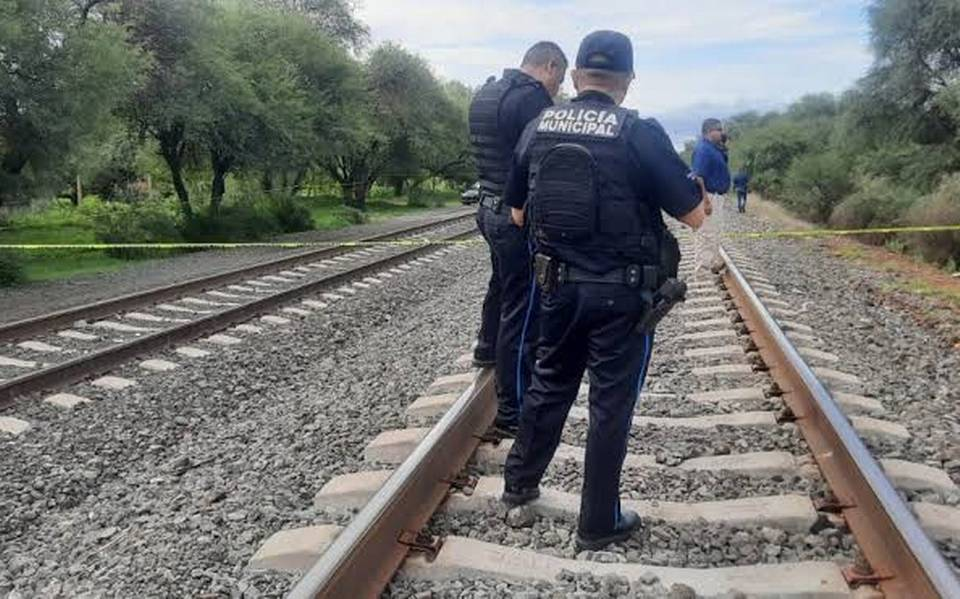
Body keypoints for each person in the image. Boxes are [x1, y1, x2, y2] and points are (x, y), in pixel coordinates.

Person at [500, 30, 709, 551]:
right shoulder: (639, 132)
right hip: (623, 299)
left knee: (549, 384)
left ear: (575, 77)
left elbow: (517, 213)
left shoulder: (539, 124)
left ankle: (519, 484)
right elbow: (694, 216)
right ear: (628, 80)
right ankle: (598, 522)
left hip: (558, 289)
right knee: (610, 405)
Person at [468, 41, 568, 437]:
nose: (557, 89)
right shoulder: (531, 99)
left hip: (485, 209)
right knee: (523, 307)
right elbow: (537, 162)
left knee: (501, 282)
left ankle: (486, 347)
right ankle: (513, 410)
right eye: (559, 79)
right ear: (549, 66)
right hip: (514, 216)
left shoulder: (486, 92)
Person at [690, 118, 730, 272]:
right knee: (706, 233)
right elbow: (698, 177)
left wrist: (723, 147)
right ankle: (702, 270)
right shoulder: (703, 150)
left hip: (716, 196)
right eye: (718, 129)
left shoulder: (714, 148)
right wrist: (705, 201)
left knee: (714, 231)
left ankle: (712, 262)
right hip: (709, 196)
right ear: (709, 131)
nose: (721, 132)